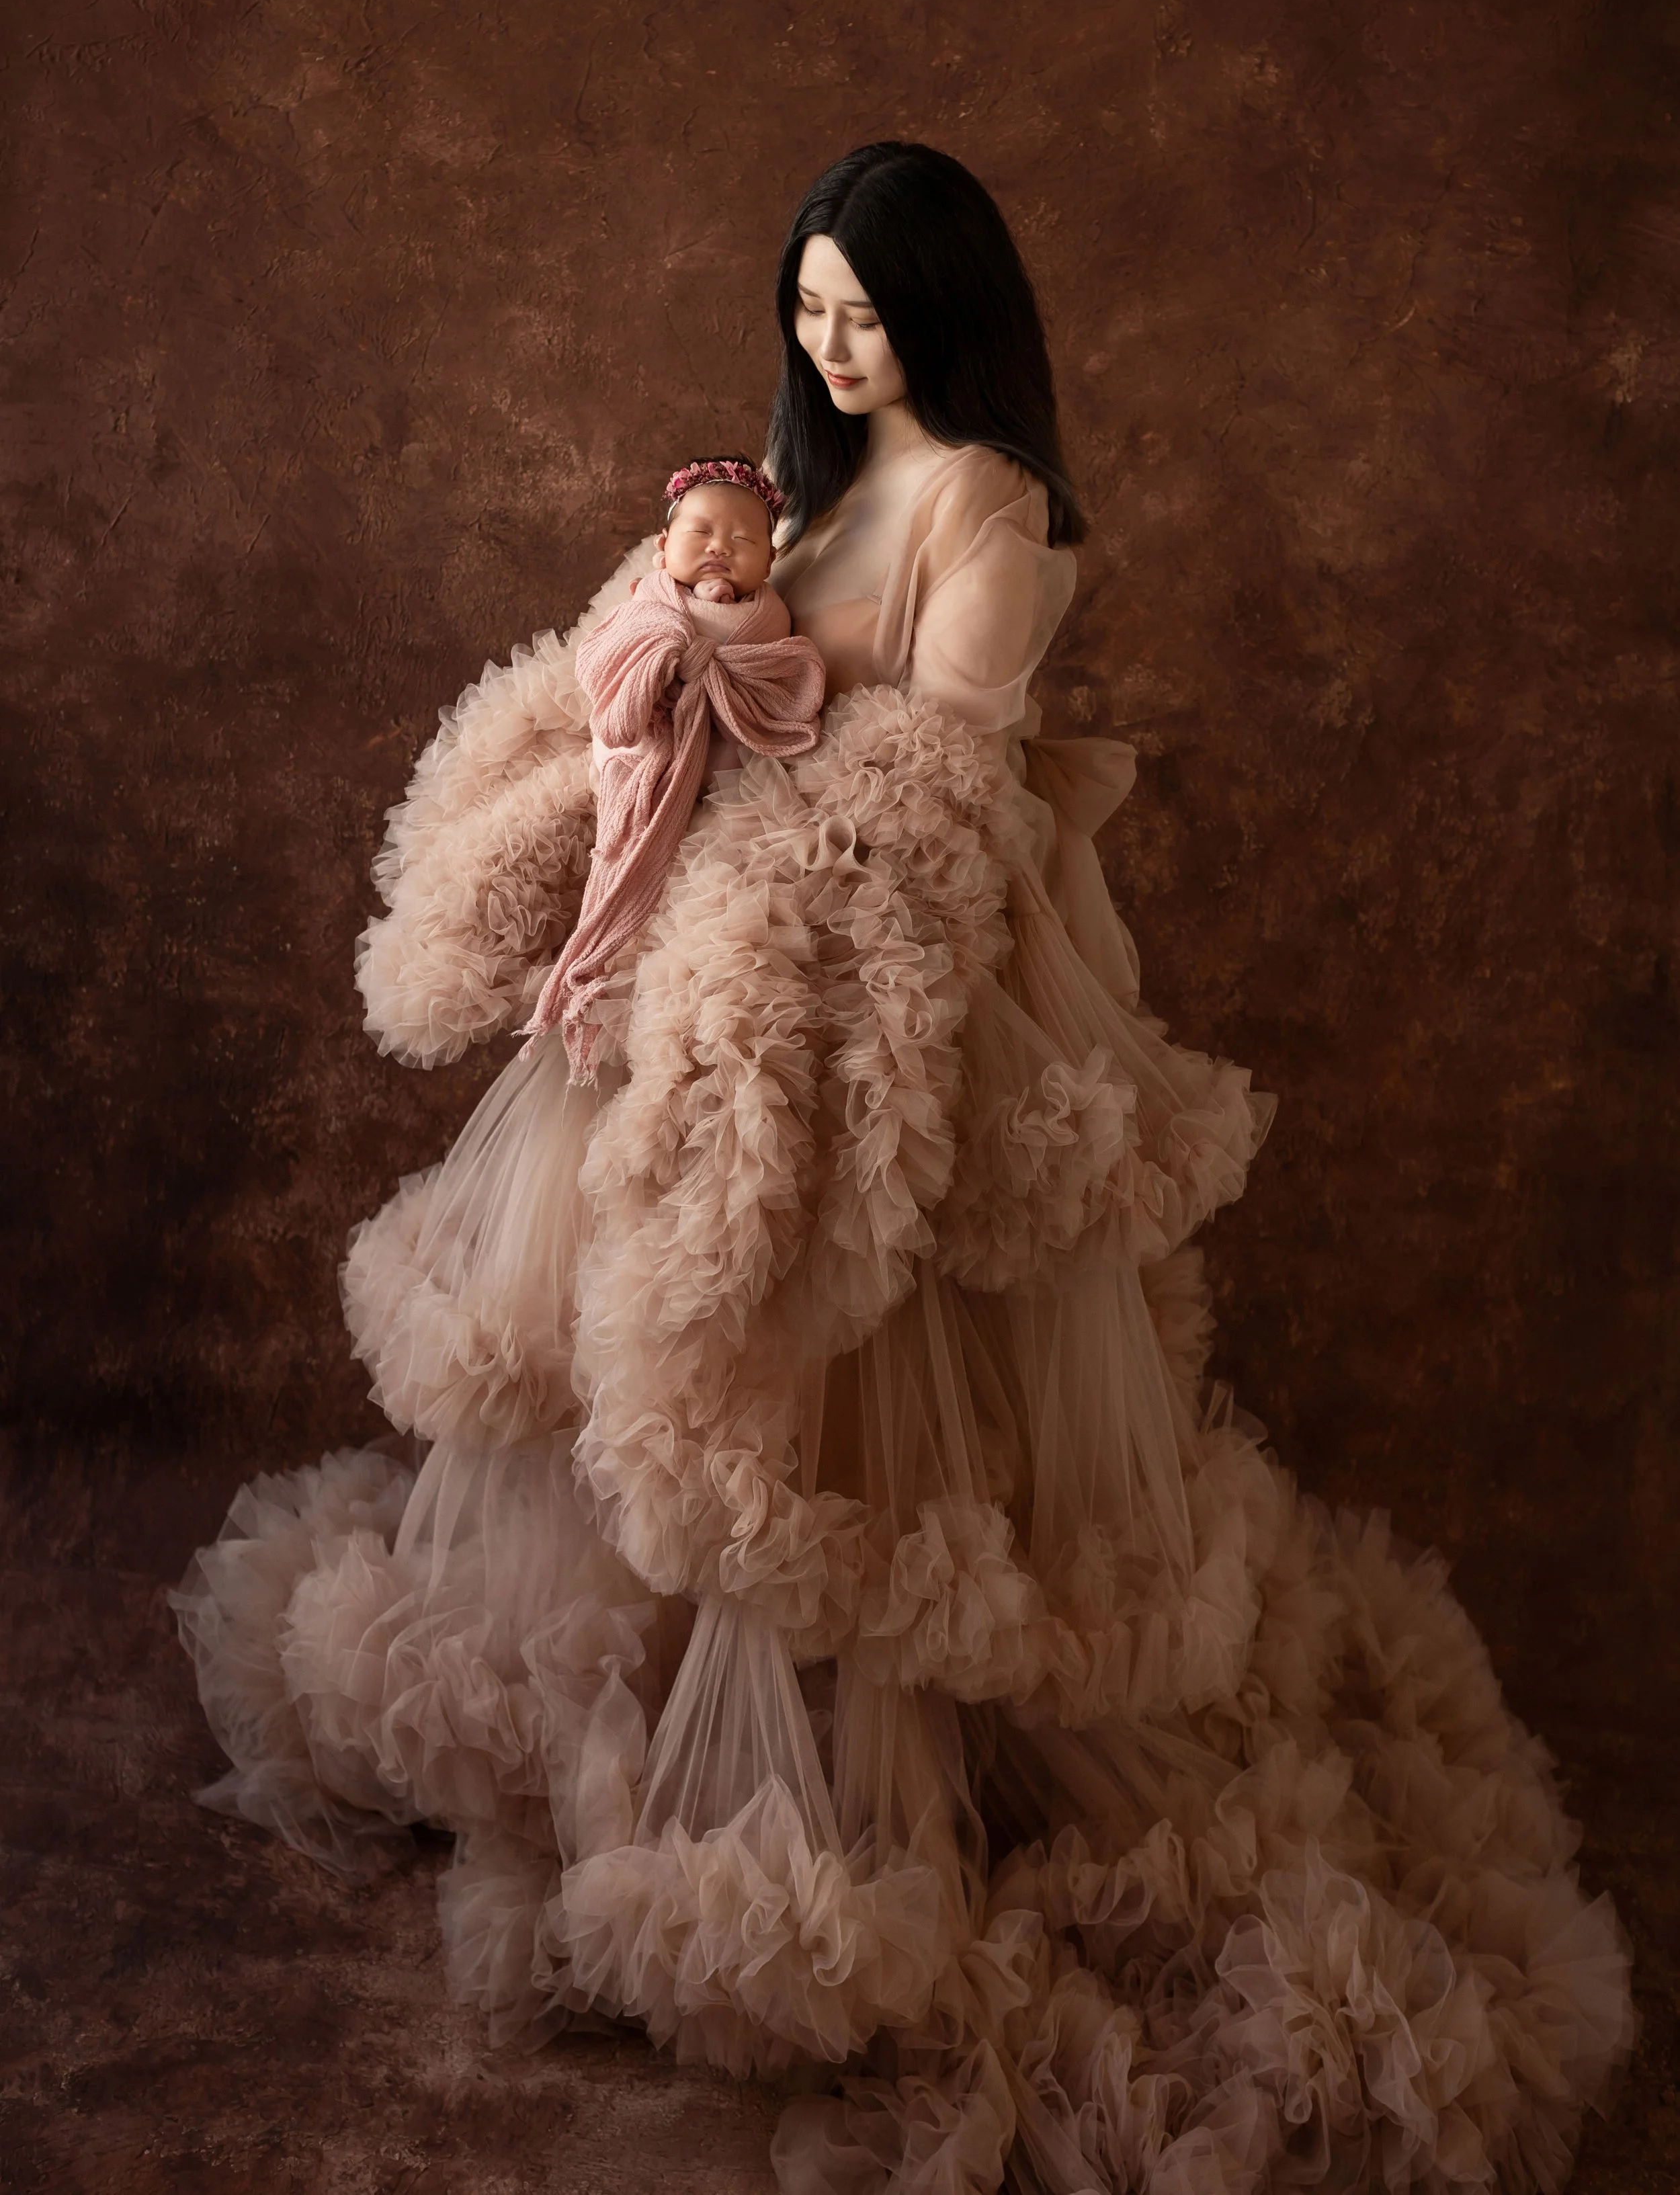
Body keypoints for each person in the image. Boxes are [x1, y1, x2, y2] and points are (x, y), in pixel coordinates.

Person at [172, 142, 1634, 2195]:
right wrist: (665, 657)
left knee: (878, 1401)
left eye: (863, 311)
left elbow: (945, 771)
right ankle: (670, 1708)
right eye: (808, 308)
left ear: (945, 307)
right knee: (667, 1349)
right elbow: (720, 652)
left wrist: (753, 786)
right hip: (734, 959)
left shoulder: (986, 504)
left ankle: (878, 1788)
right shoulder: (809, 481)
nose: (831, 344)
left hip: (901, 988)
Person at [519, 456, 825, 1080]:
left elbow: (782, 673)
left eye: (743, 540)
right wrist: (670, 656)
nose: (720, 547)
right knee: (622, 858)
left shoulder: (770, 615)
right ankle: (592, 984)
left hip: (720, 776)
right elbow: (608, 663)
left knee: (689, 924)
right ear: (662, 548)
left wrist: (718, 632)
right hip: (643, 754)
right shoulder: (651, 604)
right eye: (701, 532)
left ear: (770, 562)